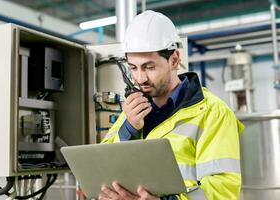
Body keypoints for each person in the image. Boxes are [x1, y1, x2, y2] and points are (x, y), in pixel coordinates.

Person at [99, 10, 244, 200]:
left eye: (149, 67)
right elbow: (103, 167)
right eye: (133, 68)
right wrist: (128, 129)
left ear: (174, 60)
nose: (140, 78)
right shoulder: (131, 112)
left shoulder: (214, 112)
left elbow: (222, 189)